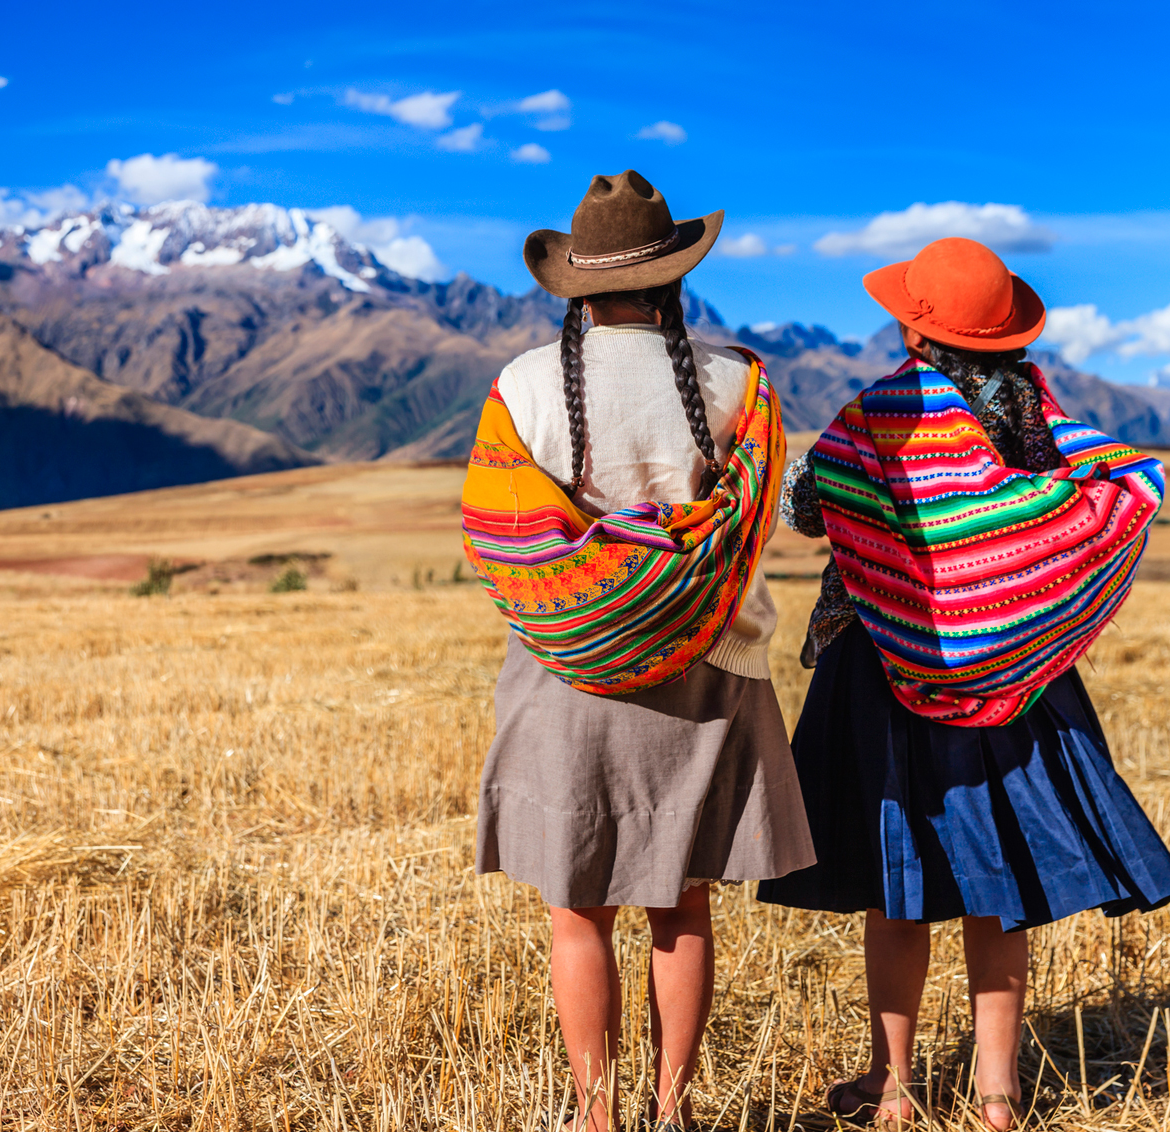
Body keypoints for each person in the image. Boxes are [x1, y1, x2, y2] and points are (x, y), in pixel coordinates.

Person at [757, 238, 1170, 1129]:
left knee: (897, 887)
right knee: (1000, 891)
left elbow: (807, 505)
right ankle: (999, 1093)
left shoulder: (878, 412)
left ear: (912, 323)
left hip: (880, 667)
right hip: (1019, 683)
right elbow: (1092, 498)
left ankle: (897, 1088)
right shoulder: (1039, 415)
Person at [462, 170, 814, 1132]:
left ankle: (595, 1113)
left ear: (574, 285)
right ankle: (674, 1106)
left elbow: (496, 535)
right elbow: (765, 522)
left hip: (564, 672)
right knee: (682, 907)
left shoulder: (522, 387)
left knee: (578, 909)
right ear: (674, 280)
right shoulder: (739, 386)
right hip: (708, 673)